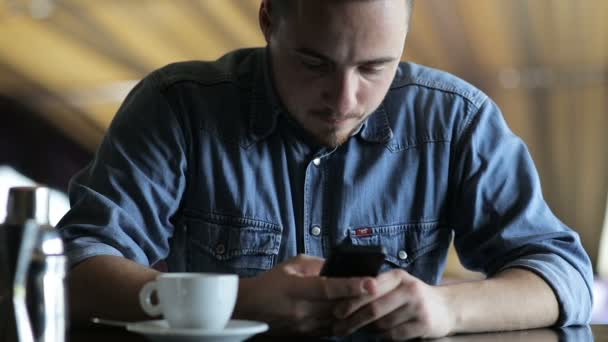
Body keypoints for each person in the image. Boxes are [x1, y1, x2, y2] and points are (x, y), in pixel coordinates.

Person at [58, 0, 593, 340]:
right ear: (268, 19)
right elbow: (73, 270)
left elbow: (564, 276)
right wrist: (237, 303)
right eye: (314, 63)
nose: (344, 99)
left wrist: (447, 309)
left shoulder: (458, 122)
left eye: (373, 67)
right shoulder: (176, 107)